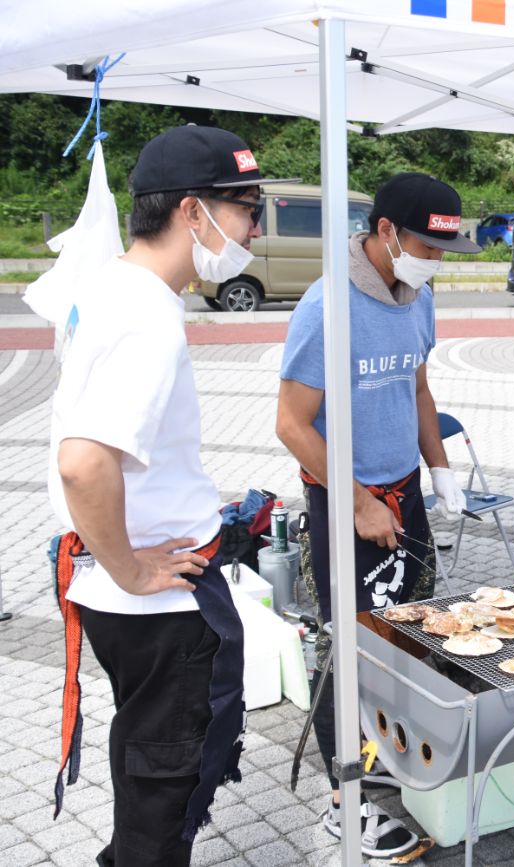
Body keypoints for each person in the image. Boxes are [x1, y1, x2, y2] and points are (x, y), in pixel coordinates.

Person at [49, 125, 292, 865]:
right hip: (155, 606)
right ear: (193, 211)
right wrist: (130, 565)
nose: (253, 226)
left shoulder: (112, 285)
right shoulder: (148, 316)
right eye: (246, 207)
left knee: (144, 751)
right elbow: (83, 461)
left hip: (115, 594)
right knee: (167, 784)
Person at [276, 172, 478, 858]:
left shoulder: (418, 294)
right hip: (345, 500)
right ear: (387, 231)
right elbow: (292, 423)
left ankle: (395, 760)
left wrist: (440, 466)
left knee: (412, 632)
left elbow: (419, 384)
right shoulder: (326, 305)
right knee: (347, 648)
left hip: (403, 493)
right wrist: (357, 502)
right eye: (428, 245)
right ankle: (343, 805)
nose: (436, 261)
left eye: (446, 250)